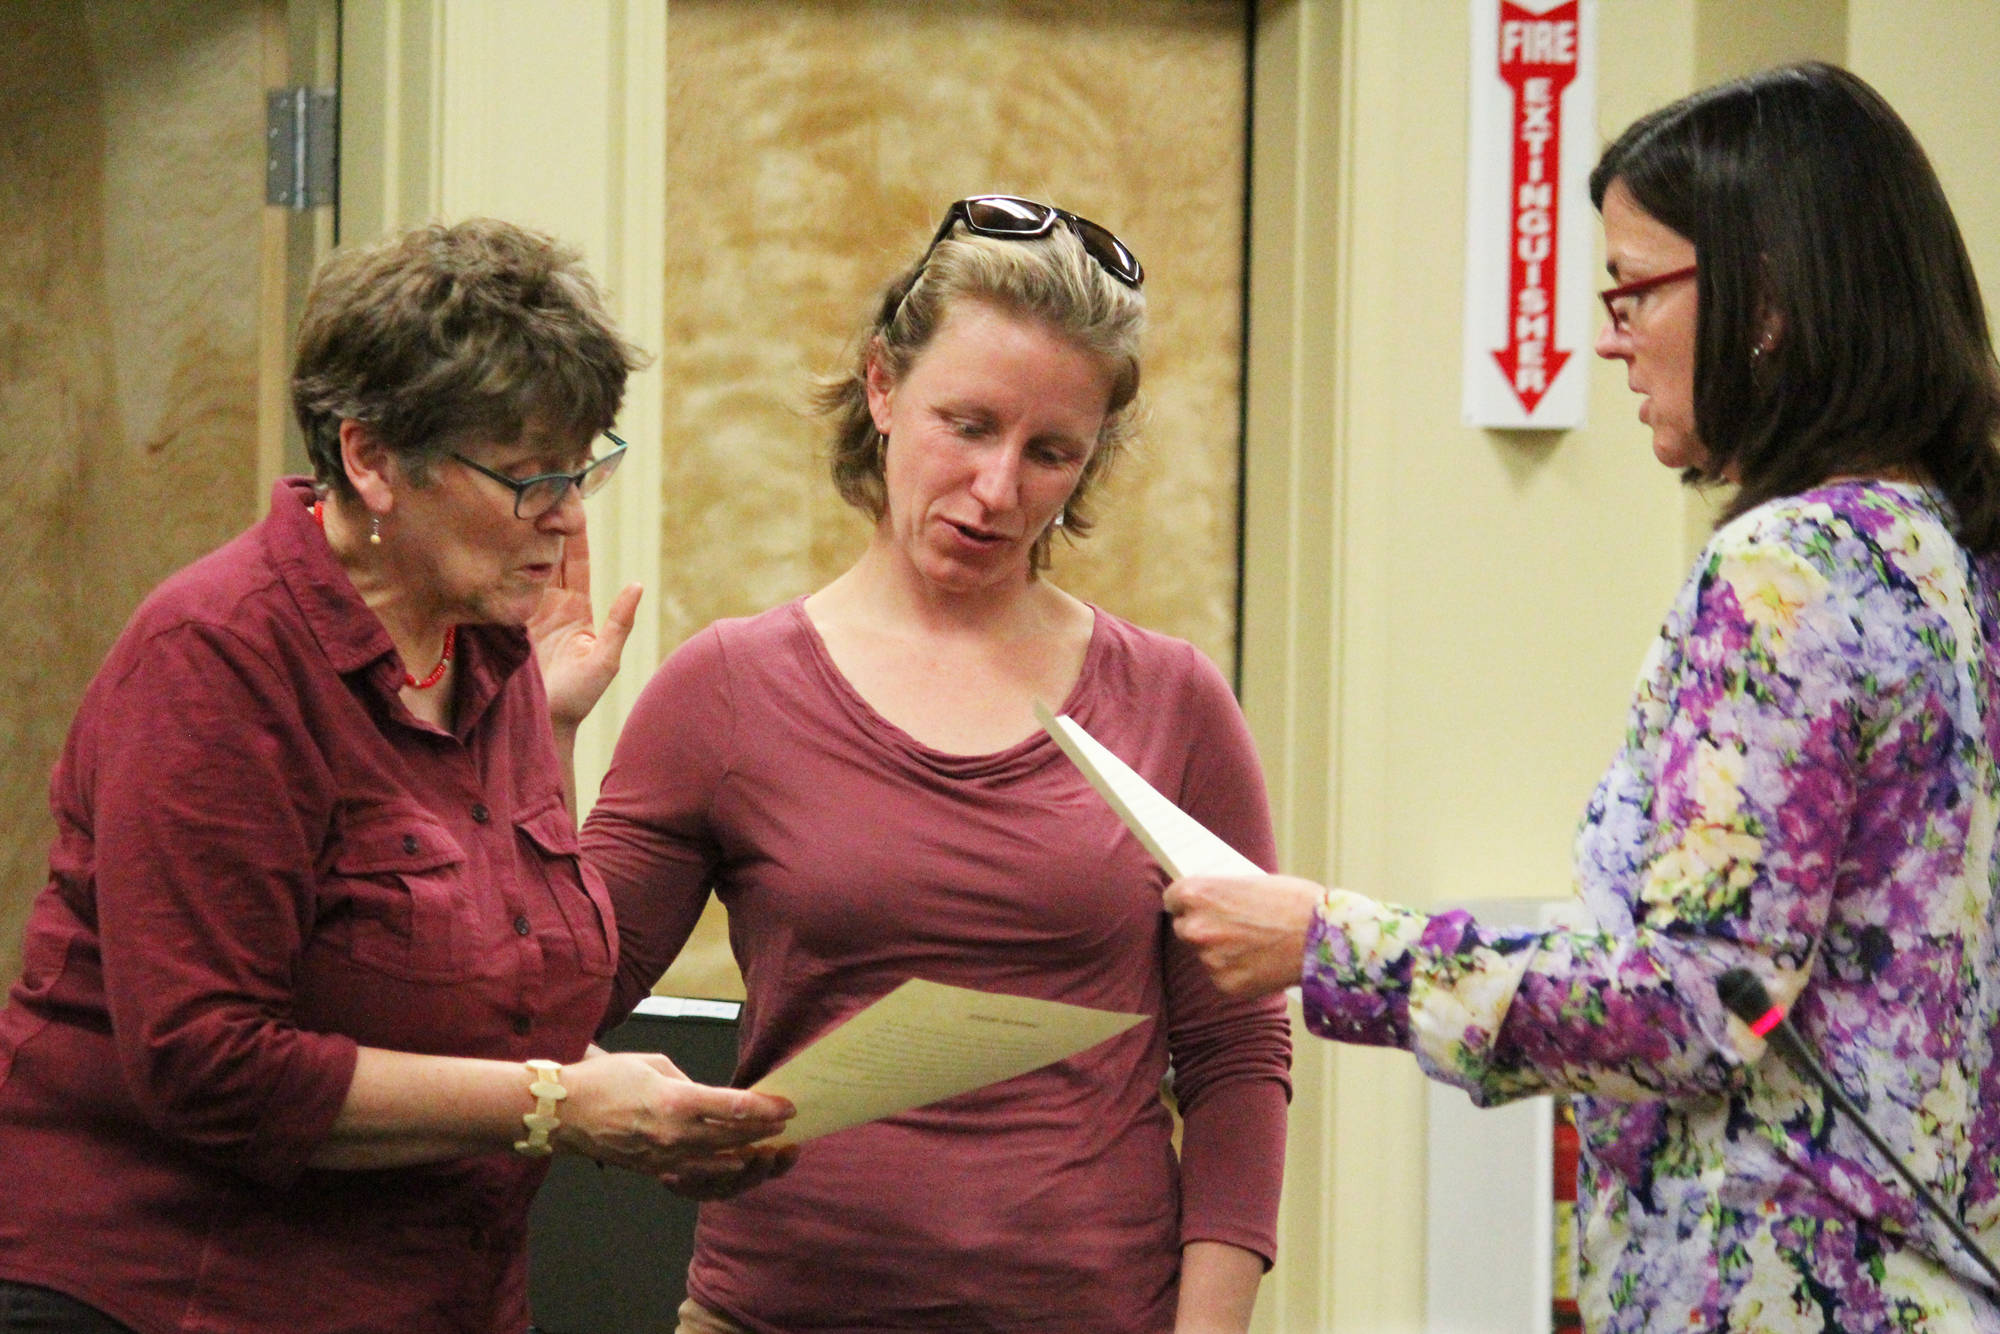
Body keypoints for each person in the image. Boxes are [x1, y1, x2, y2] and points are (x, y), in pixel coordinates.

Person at [1164, 62, 2000, 1333]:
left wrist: (1326, 940)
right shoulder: (1947, 557)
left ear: (1764, 299)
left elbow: (1700, 997)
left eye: (1631, 290)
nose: (1606, 334)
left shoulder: (1785, 573)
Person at [0, 219, 792, 1334]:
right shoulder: (217, 654)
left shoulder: (491, 649)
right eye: (525, 476)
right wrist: (561, 1105)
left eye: (582, 467)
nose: (566, 515)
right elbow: (208, 1061)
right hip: (180, 1289)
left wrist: (641, 1110)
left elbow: (505, 988)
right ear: (370, 458)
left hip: (440, 1290)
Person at [581, 196, 1292, 1334]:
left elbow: (1234, 1054)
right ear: (879, 387)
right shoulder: (725, 689)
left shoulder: (1171, 702)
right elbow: (543, 990)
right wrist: (526, 737)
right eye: (966, 424)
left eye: (1050, 450)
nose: (998, 488)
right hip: (777, 1310)